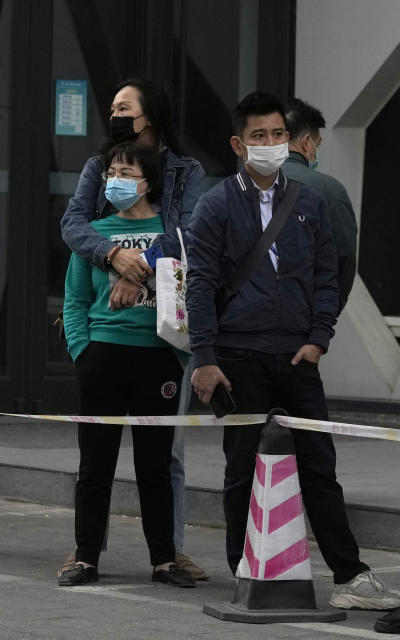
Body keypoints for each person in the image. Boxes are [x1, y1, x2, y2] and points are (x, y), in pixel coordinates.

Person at [186, 90, 400, 610]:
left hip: (298, 358)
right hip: (237, 357)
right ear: (239, 144)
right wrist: (206, 358)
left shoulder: (308, 201)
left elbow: (328, 275)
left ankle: (350, 577)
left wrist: (319, 337)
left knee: (319, 466)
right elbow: (200, 285)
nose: (270, 144)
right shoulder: (216, 204)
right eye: (258, 137)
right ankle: (246, 568)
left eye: (278, 135)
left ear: (290, 139)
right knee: (243, 469)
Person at [59, 78, 207, 579]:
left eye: (125, 107)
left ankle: (168, 554)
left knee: (163, 460)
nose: (115, 113)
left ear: (152, 114)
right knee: (94, 463)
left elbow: (187, 238)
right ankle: (86, 554)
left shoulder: (186, 173)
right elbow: (74, 230)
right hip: (103, 350)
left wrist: (138, 266)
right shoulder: (98, 173)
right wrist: (113, 256)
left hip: (160, 346)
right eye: (112, 106)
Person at [283, 98, 358, 314]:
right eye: (318, 145)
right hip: (298, 323)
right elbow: (343, 259)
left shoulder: (235, 186)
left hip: (237, 328)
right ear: (307, 142)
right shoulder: (330, 191)